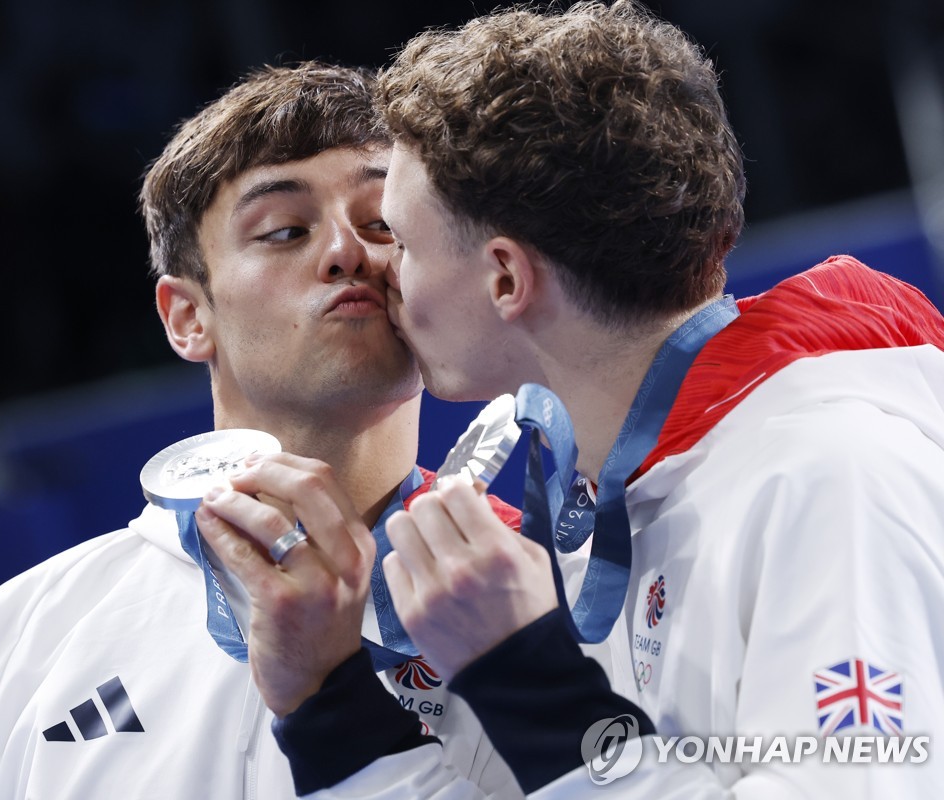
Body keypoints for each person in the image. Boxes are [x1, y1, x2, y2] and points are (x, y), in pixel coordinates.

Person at [358, 1, 943, 797]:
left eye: (401, 241)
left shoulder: (831, 477)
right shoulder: (625, 504)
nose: (380, 273)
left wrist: (532, 686)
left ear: (505, 279)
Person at [0, 62, 525, 799]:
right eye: (284, 231)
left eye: (381, 224)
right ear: (186, 317)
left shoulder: (533, 591)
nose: (347, 252)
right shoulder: (32, 626)